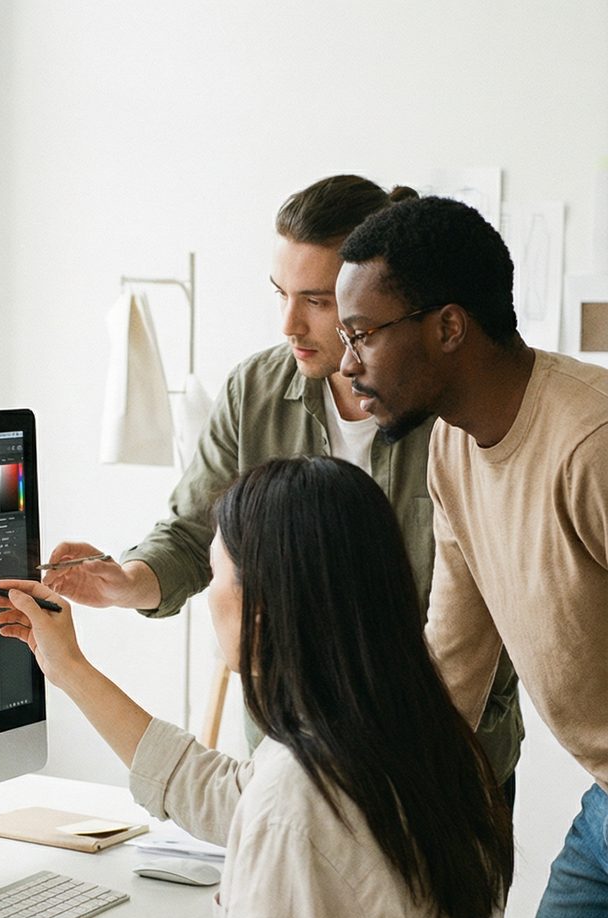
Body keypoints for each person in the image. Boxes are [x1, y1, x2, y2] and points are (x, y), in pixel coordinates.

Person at [0, 455, 532, 918]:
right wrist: (70, 669)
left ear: (262, 605)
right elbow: (230, 794)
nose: (210, 595)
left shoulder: (300, 800)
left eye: (218, 573)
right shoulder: (420, 736)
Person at [45, 176, 521, 791]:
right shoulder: (256, 392)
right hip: (295, 763)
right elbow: (193, 536)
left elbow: (488, 603)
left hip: (446, 769)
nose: (291, 324)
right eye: (281, 294)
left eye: (318, 302)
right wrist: (127, 581)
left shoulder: (450, 408)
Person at [335, 194, 608, 918]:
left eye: (363, 334)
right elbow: (451, 665)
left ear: (448, 327)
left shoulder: (591, 445)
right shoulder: (451, 450)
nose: (347, 364)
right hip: (607, 812)